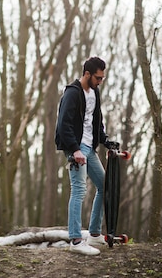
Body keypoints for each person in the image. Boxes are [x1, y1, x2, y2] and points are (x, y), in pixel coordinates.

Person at [55, 56, 115, 255]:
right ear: (87, 74)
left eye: (102, 78)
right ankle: (75, 240)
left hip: (89, 147)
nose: (100, 81)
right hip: (77, 147)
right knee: (79, 190)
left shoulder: (95, 93)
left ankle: (95, 234)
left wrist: (105, 140)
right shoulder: (72, 93)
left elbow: (97, 121)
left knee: (104, 185)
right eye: (98, 78)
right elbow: (64, 125)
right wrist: (75, 149)